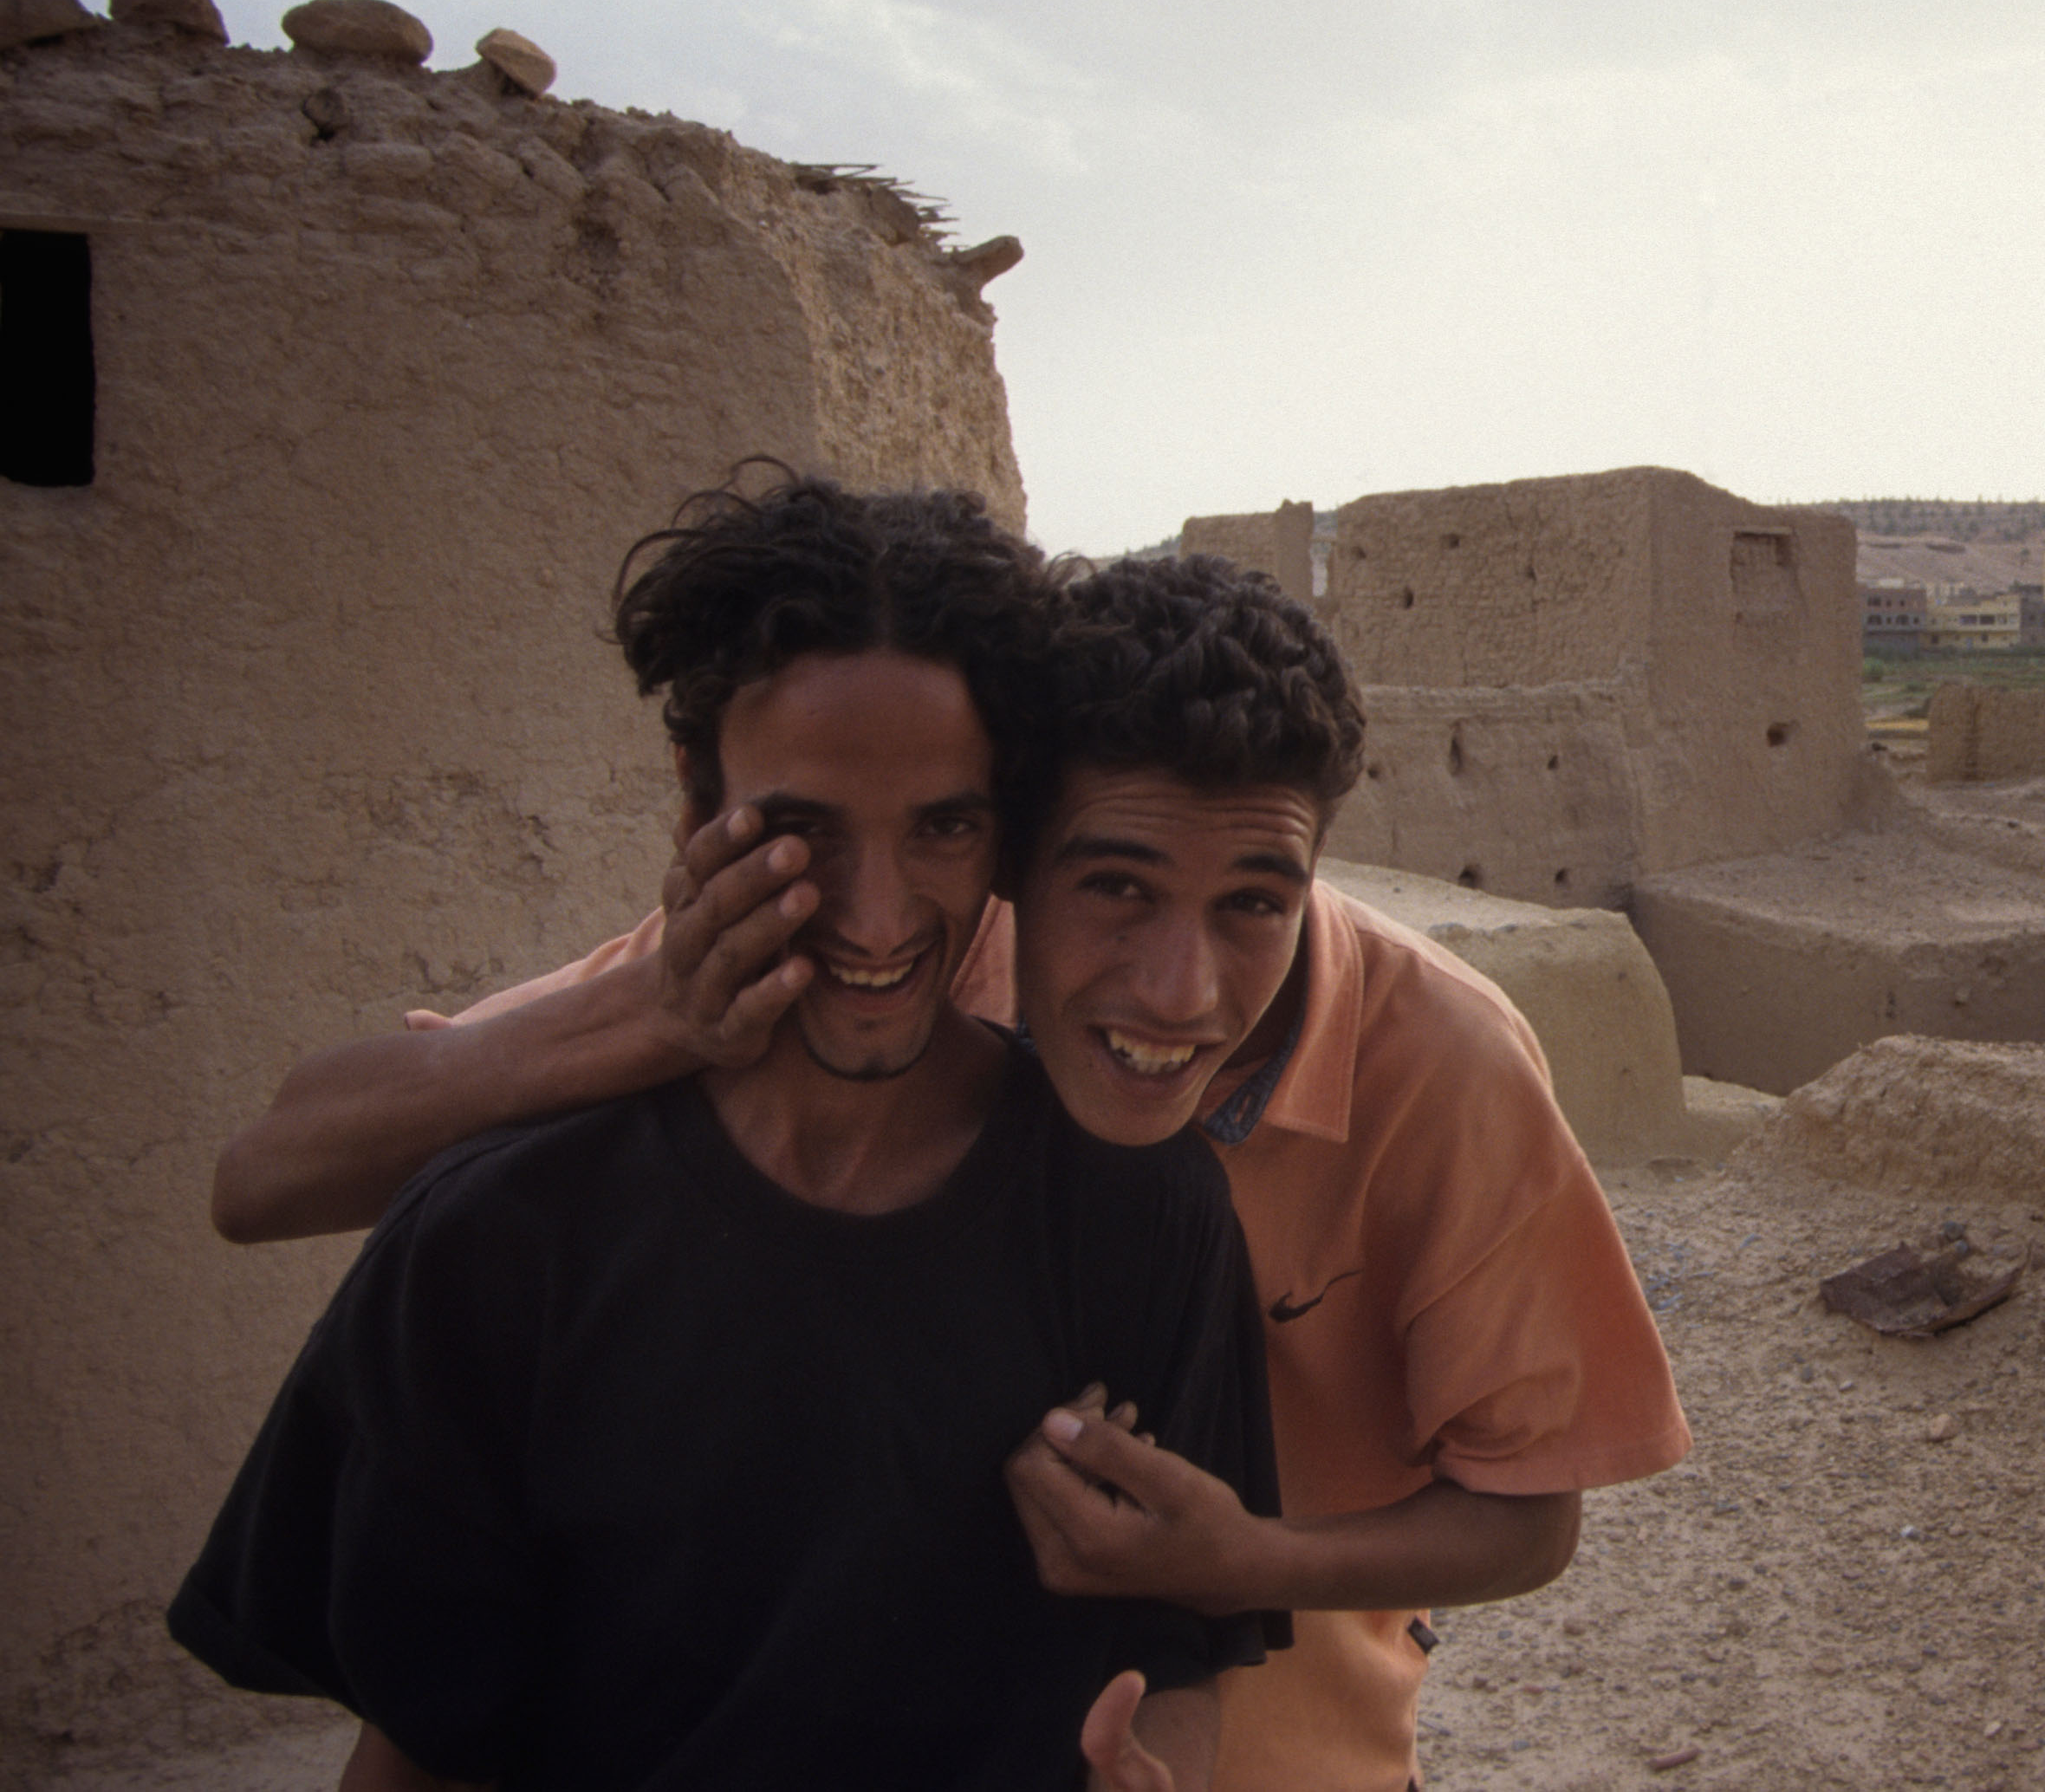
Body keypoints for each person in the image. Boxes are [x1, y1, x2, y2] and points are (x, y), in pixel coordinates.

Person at [211, 544, 1691, 1792]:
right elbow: (268, 1180)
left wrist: (1244, 1558)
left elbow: (1527, 1507)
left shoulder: (1447, 1065)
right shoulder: (889, 959)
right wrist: (649, 1013)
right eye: (1109, 886)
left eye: (1254, 902)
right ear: (1012, 865)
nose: (1177, 988)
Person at [175, 478, 1283, 1791]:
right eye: (802, 827)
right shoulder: (501, 1234)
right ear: (693, 798)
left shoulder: (1135, 1206)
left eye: (943, 823)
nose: (877, 920)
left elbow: (1176, 1658)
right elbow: (424, 1738)